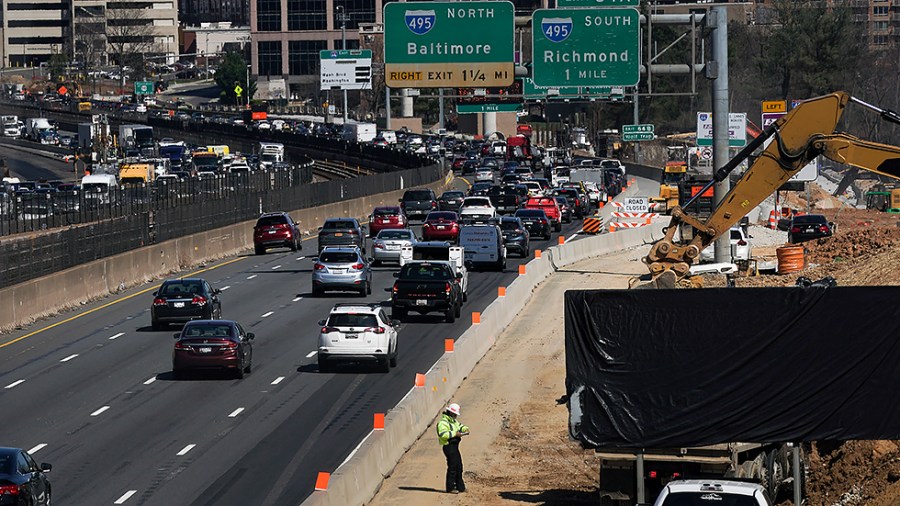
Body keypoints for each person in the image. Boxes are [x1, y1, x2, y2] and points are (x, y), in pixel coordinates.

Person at [436, 403, 469, 494]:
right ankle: (450, 487)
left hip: (455, 447)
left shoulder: (453, 422)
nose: (455, 416)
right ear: (450, 413)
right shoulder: (442, 423)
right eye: (454, 414)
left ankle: (460, 487)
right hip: (449, 447)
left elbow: (460, 426)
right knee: (452, 467)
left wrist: (465, 429)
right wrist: (455, 434)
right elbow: (443, 434)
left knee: (459, 466)